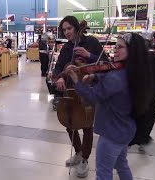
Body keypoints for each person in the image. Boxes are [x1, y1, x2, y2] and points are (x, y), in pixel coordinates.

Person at [66, 33, 153, 179]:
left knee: (103, 172)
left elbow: (93, 97)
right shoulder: (134, 71)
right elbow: (113, 78)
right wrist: (95, 76)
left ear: (131, 50)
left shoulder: (115, 77)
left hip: (112, 133)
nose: (115, 50)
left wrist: (77, 81)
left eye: (120, 47)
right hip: (126, 129)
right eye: (115, 46)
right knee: (121, 165)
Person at [52, 16, 107, 178]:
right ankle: (78, 152)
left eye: (69, 28)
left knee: (87, 126)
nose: (67, 32)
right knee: (69, 124)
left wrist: (89, 55)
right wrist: (60, 77)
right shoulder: (66, 48)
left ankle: (84, 159)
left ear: (77, 28)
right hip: (70, 92)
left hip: (87, 90)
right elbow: (58, 68)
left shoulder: (92, 43)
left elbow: (105, 63)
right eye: (64, 29)